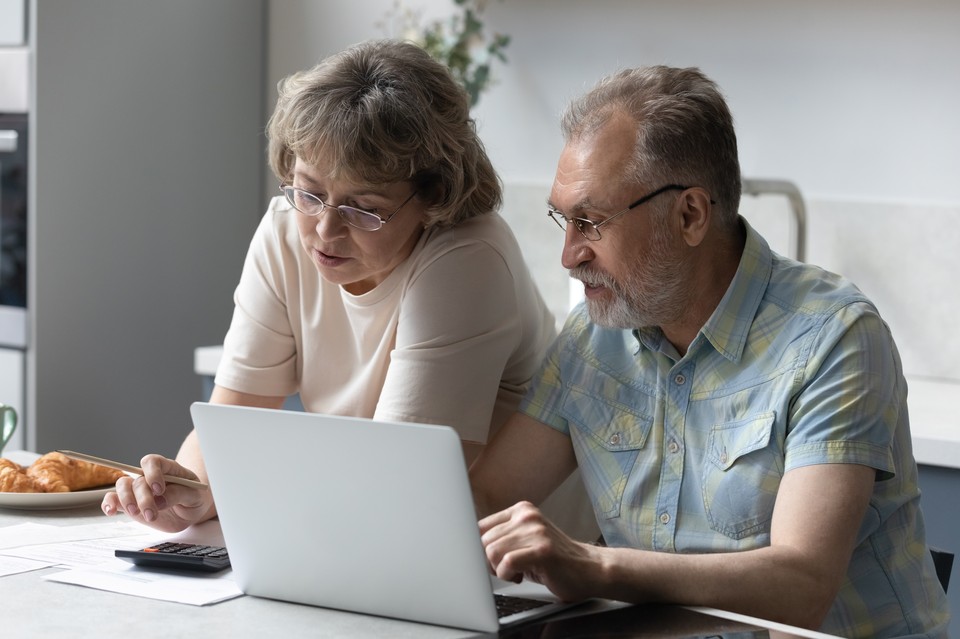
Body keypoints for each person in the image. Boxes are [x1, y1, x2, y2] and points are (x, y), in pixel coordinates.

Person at [469, 65, 950, 638]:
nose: (569, 256)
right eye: (563, 221)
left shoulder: (835, 337)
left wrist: (597, 567)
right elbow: (487, 495)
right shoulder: (593, 338)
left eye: (590, 222)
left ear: (690, 215)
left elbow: (802, 586)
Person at [101, 39, 556, 533]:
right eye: (310, 192)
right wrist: (188, 492)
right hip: (385, 534)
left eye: (364, 208)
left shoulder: (468, 256)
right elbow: (231, 427)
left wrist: (245, 487)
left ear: (434, 196)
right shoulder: (285, 228)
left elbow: (397, 475)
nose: (324, 229)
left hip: (519, 560)